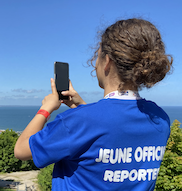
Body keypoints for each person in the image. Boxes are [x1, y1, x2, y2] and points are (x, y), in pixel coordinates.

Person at [14, 18, 173, 190]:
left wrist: (46, 108)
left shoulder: (76, 122)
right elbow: (110, 132)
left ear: (107, 62)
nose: (94, 64)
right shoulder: (160, 118)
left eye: (97, 56)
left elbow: (21, 150)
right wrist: (81, 106)